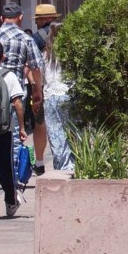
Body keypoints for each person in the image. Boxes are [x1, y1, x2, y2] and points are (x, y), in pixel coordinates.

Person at [0, 3, 43, 177]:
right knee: (15, 133)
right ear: (20, 18)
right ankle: (11, 172)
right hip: (14, 93)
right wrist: (37, 90)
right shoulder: (26, 39)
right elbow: (36, 67)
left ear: (1, 18)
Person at [0, 38, 27, 219]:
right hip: (5, 129)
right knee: (6, 166)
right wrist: (21, 127)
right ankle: (10, 202)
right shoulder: (8, 76)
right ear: (2, 57)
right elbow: (18, 103)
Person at [30, 3, 59, 173]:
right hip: (62, 87)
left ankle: (40, 162)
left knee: (40, 124)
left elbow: (33, 65)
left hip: (44, 87)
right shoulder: (66, 33)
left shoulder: (37, 37)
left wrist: (35, 89)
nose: (36, 22)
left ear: (47, 18)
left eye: (39, 19)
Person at [41, 22, 73, 172]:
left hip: (51, 97)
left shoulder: (46, 55)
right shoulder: (72, 54)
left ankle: (62, 168)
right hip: (69, 96)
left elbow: (42, 78)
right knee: (72, 133)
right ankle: (73, 165)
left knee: (56, 136)